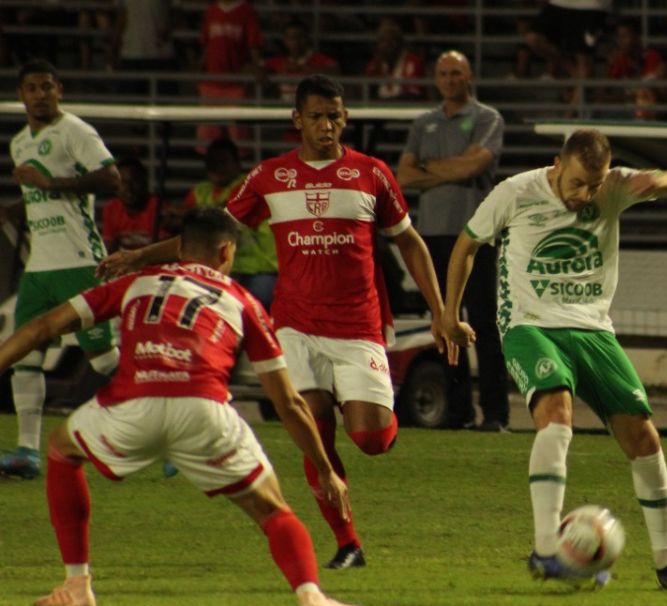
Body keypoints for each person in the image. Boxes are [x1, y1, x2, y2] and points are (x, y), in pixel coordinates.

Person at [99, 75, 453, 571]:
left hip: (358, 324)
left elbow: (409, 241)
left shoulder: (372, 174)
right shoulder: (270, 177)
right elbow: (209, 236)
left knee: (370, 439)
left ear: (344, 118)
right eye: (316, 116)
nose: (326, 125)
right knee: (312, 427)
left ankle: (383, 425)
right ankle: (348, 543)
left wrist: (441, 312)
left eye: (334, 115)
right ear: (297, 121)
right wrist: (138, 258)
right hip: (295, 325)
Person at [1, 207, 368, 606]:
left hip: (131, 405)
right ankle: (312, 599)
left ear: (180, 249)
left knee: (62, 450)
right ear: (226, 251)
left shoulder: (136, 283)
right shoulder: (242, 300)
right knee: (273, 510)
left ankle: (77, 584)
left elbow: (41, 328)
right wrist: (324, 468)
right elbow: (289, 402)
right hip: (204, 410)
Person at [441, 129, 667, 592]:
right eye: (579, 183)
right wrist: (449, 315)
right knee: (556, 414)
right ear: (557, 164)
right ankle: (546, 549)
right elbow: (465, 247)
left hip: (594, 330)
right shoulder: (515, 192)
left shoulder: (617, 186)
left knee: (643, 436)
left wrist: (658, 183)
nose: (586, 195)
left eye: (596, 185)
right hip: (530, 325)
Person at [1, 60, 121, 480]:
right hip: (39, 268)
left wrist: (52, 184)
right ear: (21, 95)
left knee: (104, 359)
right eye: (32, 87)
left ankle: (166, 431)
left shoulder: (76, 131)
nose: (40, 94)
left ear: (60, 90)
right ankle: (26, 451)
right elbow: (38, 203)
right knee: (24, 356)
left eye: (47, 86)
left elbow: (111, 179)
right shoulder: (20, 143)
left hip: (79, 261)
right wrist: (9, 212)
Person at [396, 51, 509, 432]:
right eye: (443, 72)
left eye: (456, 72)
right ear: (435, 78)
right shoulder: (423, 122)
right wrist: (451, 168)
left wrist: (428, 169)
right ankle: (457, 412)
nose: (449, 79)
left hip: (475, 234)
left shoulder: (487, 117)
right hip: (431, 236)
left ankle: (495, 415)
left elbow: (475, 165)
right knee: (444, 324)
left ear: (469, 76)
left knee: (484, 322)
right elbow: (404, 176)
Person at [183, 138, 278, 310]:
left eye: (223, 162)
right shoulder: (200, 190)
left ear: (237, 163)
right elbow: (185, 217)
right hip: (222, 267)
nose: (217, 167)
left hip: (259, 270)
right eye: (212, 162)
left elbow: (223, 214)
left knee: (248, 304)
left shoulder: (245, 184)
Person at [197, 0, 263, 144]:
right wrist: (199, 70)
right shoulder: (211, 10)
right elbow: (207, 44)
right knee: (208, 137)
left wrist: (257, 69)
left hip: (236, 85)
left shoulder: (247, 12)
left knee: (238, 137)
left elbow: (254, 45)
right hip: (211, 84)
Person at [262, 20, 340, 113]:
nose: (295, 42)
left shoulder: (317, 59)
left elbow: (336, 71)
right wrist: (262, 71)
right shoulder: (279, 61)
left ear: (307, 38)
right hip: (285, 114)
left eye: (299, 37)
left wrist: (303, 68)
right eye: (290, 38)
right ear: (285, 40)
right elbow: (254, 68)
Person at [101, 157, 160, 252]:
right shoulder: (111, 209)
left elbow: (160, 250)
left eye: (135, 181)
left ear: (144, 183)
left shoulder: (157, 207)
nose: (129, 188)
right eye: (123, 182)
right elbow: (109, 249)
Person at [363, 18, 425, 102]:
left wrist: (383, 103)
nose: (385, 47)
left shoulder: (412, 62)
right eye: (382, 41)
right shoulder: (377, 63)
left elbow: (412, 96)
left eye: (390, 41)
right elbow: (366, 93)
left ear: (398, 44)